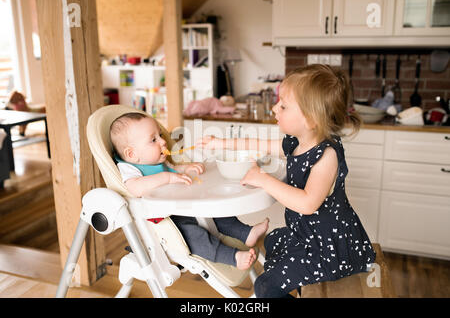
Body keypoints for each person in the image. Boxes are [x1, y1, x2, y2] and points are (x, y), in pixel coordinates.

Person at [196, 64, 376, 297]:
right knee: (271, 240)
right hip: (306, 236)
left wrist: (263, 179)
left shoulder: (327, 155)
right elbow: (260, 146)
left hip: (327, 249)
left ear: (311, 119)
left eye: (283, 105)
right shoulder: (297, 142)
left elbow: (308, 203)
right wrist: (219, 143)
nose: (274, 108)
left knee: (264, 286)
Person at [110, 112, 269, 270]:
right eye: (153, 140)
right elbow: (135, 187)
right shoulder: (130, 168)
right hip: (166, 223)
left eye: (160, 135)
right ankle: (233, 257)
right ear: (132, 154)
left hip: (183, 209)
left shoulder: (159, 162)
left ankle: (246, 233)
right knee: (194, 236)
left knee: (215, 212)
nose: (163, 141)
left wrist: (187, 168)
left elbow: (174, 170)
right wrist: (167, 178)